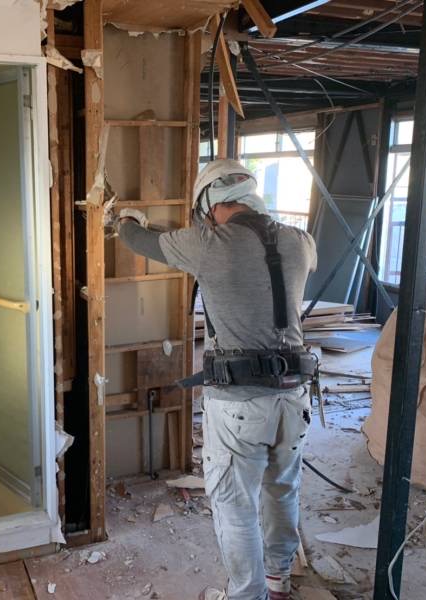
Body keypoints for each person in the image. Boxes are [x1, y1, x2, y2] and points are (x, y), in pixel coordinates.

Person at [106, 159, 318, 600]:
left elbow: (138, 239)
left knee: (235, 506)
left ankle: (247, 595)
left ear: (208, 203)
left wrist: (123, 220)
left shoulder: (207, 243)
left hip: (240, 403)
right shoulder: (300, 241)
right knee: (282, 490)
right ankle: (279, 580)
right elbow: (261, 264)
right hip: (294, 397)